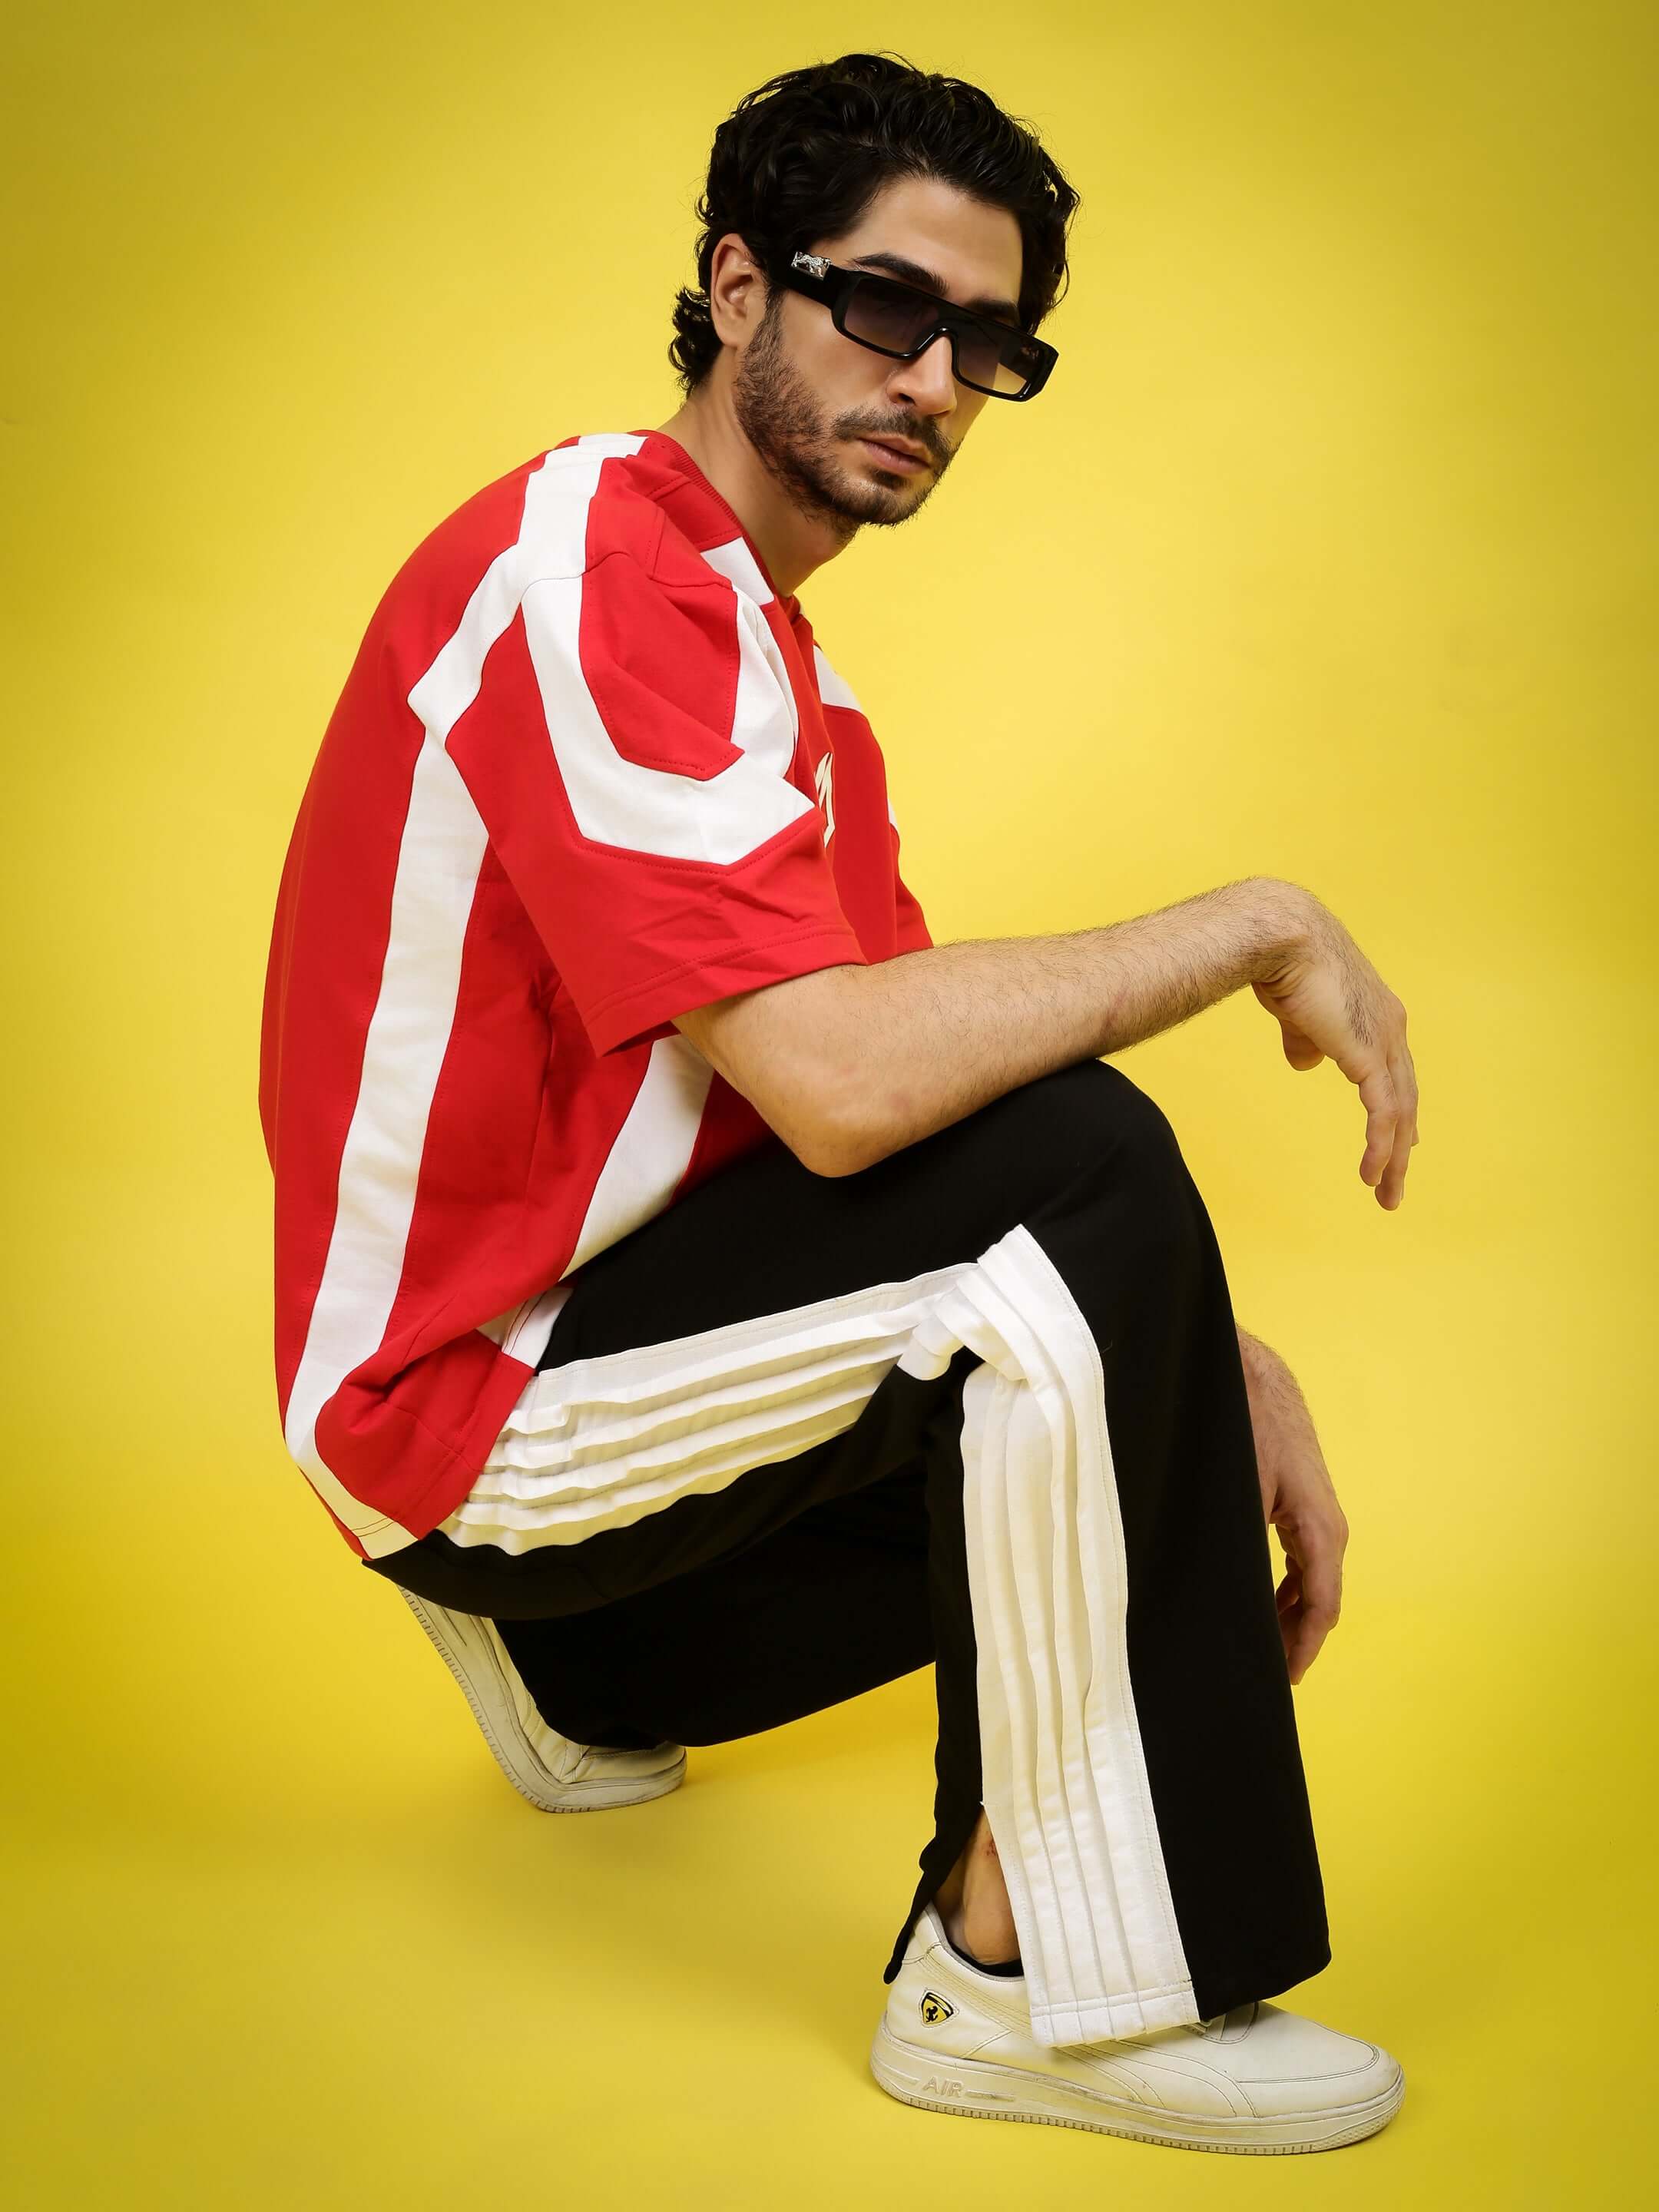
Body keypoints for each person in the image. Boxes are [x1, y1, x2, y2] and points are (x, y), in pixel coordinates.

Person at [259, 51, 1419, 2156]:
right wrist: (1257, 924)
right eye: (888, 306)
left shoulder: (787, 687)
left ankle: (585, 1680)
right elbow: (857, 1091)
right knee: (1085, 1173)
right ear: (738, 286)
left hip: (606, 1381)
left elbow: (907, 1115)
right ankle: (1022, 1987)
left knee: (1102, 1305)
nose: (939, 381)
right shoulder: (593, 561)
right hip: (460, 1399)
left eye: (991, 344)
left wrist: (1203, 1365)